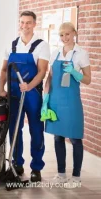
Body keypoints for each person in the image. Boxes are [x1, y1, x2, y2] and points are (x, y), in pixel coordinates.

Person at [0, 11, 50, 182]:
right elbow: (4, 69)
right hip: (13, 93)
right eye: (22, 22)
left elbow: (42, 71)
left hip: (32, 93)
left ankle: (36, 167)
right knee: (14, 129)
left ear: (34, 24)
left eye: (28, 23)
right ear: (19, 23)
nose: (25, 26)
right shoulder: (12, 45)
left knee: (36, 130)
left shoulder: (41, 45)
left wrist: (29, 86)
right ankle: (17, 163)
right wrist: (1, 88)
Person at [42, 22, 91, 188]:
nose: (64, 38)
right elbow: (49, 77)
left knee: (75, 138)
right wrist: (46, 99)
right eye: (61, 35)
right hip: (55, 99)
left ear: (74, 33)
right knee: (58, 137)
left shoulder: (81, 54)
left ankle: (76, 177)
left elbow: (88, 79)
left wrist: (74, 72)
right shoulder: (55, 53)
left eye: (67, 34)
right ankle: (61, 173)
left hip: (71, 101)